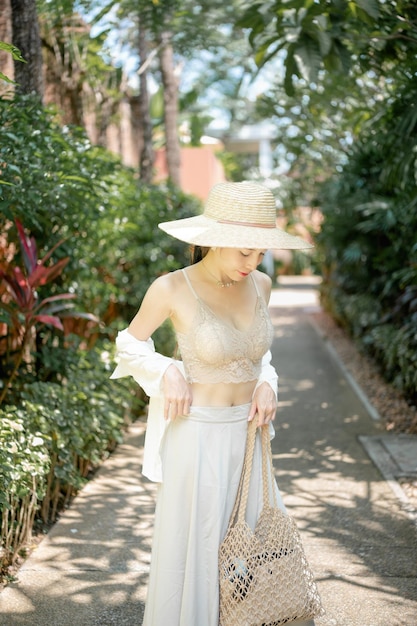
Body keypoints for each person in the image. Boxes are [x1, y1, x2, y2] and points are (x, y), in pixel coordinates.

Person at [110, 181, 315, 626]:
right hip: (196, 439)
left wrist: (268, 384)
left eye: (260, 252)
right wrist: (167, 370)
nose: (253, 262)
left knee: (253, 553)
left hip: (249, 439)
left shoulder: (261, 285)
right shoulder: (171, 287)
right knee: (199, 552)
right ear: (212, 238)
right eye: (244, 251)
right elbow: (128, 345)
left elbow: (261, 358)